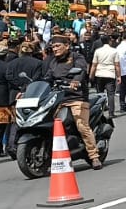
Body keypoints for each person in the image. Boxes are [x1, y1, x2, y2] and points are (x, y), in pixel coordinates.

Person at [44, 35, 104, 169]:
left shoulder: (77, 57)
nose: (55, 49)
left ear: (67, 46)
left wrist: (75, 81)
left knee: (82, 126)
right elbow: (47, 77)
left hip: (76, 98)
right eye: (53, 46)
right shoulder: (53, 62)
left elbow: (81, 71)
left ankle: (94, 156)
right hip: (59, 99)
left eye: (58, 46)